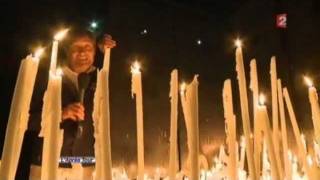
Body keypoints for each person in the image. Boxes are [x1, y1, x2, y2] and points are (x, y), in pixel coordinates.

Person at [16, 29, 116, 180]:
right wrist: (59, 114)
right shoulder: (49, 78)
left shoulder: (101, 79)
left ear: (95, 52)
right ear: (66, 50)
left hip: (85, 164)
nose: (82, 53)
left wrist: (106, 50)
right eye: (76, 47)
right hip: (46, 163)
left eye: (88, 48)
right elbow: (24, 119)